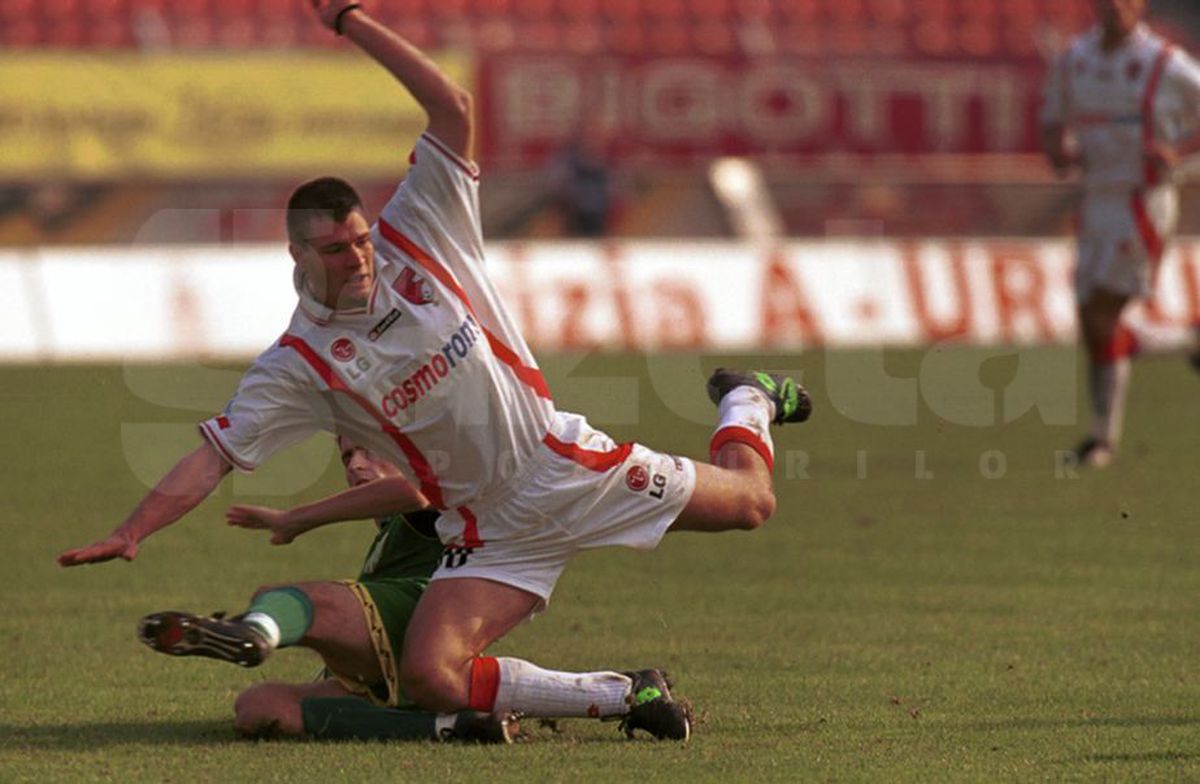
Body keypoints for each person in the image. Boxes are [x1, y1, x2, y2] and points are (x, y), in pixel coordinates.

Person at [58, 0, 812, 742]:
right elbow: (213, 455)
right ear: (297, 255)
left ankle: (746, 397)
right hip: (484, 527)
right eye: (334, 249)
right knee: (432, 678)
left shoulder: (420, 232)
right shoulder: (299, 362)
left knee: (751, 504)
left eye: (357, 240)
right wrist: (133, 530)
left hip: (561, 466)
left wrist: (350, 20)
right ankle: (624, 694)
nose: (356, 258)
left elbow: (450, 106)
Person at [138, 436, 517, 743]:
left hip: (428, 627)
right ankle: (453, 726)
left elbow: (413, 492)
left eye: (368, 449)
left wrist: (296, 519)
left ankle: (254, 631)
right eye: (347, 456)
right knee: (259, 707)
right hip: (404, 670)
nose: (354, 465)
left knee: (299, 601)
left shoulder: (438, 505)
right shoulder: (388, 537)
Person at [1040, 0, 1200, 467]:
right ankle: (1102, 436)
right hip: (1093, 200)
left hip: (1140, 200)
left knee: (1103, 314)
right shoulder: (1075, 59)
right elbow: (1052, 116)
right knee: (1093, 323)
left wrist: (1179, 150)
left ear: (1140, 5)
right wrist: (1058, 150)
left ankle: (1102, 441)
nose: (1115, 7)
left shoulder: (1163, 61)